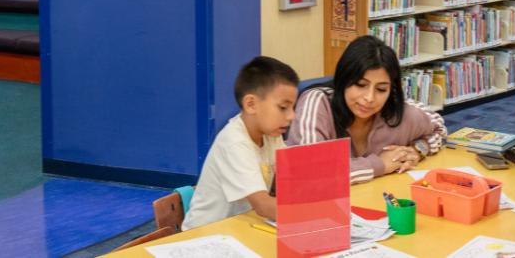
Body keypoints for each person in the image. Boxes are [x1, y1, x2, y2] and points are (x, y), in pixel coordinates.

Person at [287, 35, 446, 184]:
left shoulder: (399, 112)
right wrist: (379, 164)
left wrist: (417, 150)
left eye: (381, 89)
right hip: (317, 206)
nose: (370, 98)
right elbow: (309, 173)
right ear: (343, 79)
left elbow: (438, 127)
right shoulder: (317, 103)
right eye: (361, 85)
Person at [182, 56, 299, 230]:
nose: (291, 116)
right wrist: (314, 212)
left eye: (292, 108)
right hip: (204, 235)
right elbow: (263, 206)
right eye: (283, 107)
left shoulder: (272, 134)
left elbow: (290, 177)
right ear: (251, 104)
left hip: (238, 228)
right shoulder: (235, 142)